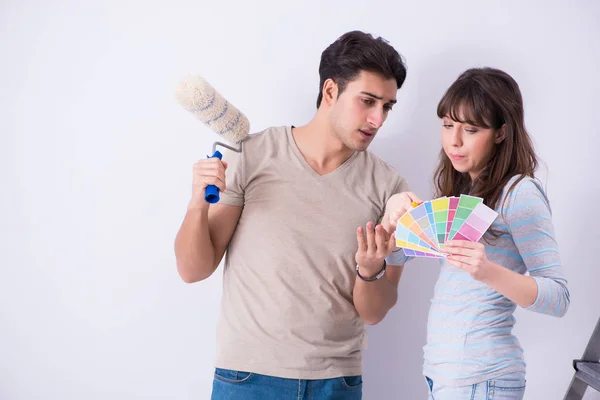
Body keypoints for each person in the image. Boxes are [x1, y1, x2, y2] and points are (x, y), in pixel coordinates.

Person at [174, 30, 418, 400]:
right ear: (331, 91)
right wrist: (197, 202)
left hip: (337, 382)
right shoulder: (254, 154)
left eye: (387, 106)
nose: (377, 119)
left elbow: (374, 312)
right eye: (368, 101)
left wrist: (370, 269)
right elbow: (193, 270)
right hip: (247, 378)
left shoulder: (389, 187)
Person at [386, 67, 570, 399]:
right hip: (443, 376)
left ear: (501, 133)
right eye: (447, 126)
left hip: (482, 378)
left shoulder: (519, 193)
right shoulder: (463, 191)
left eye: (470, 130)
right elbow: (401, 254)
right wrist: (392, 218)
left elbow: (558, 298)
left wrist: (487, 271)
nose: (454, 141)